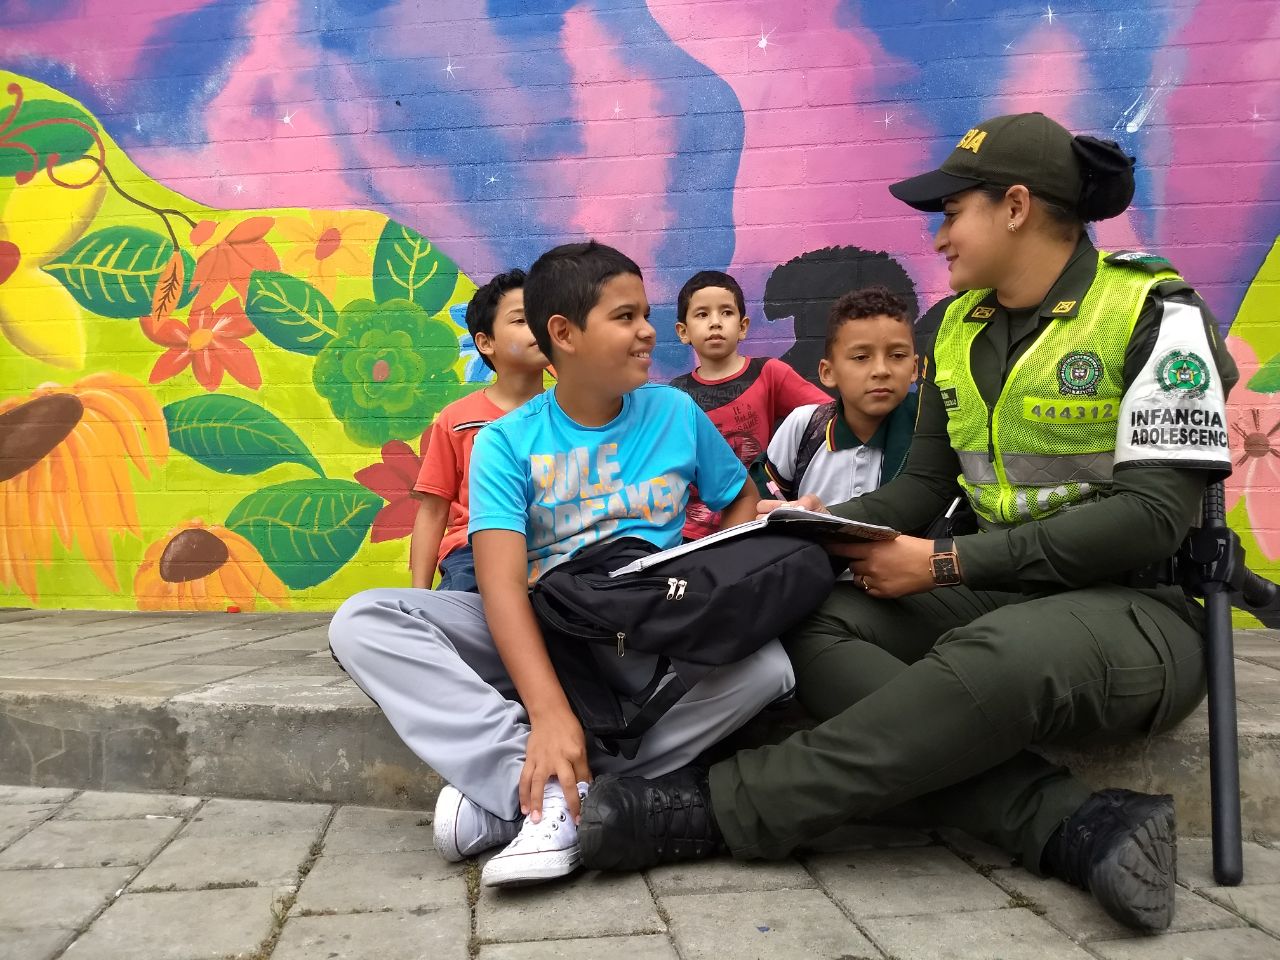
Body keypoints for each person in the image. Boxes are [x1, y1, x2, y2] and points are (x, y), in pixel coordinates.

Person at [577, 113, 1238, 933]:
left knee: (997, 653)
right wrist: (802, 527)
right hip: (1008, 592)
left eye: (952, 213)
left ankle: (722, 808)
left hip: (1139, 610)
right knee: (811, 615)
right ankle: (1067, 824)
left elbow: (1151, 519)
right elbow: (920, 487)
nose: (939, 237)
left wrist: (945, 565)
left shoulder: (1153, 313)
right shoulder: (958, 326)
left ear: (1016, 207)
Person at [328, 241, 793, 889]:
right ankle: (544, 791)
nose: (648, 331)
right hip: (539, 621)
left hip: (641, 625)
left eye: (645, 314)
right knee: (364, 621)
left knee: (769, 670)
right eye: (625, 317)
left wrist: (736, 555)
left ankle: (543, 794)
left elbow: (738, 498)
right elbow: (498, 585)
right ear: (565, 334)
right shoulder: (505, 440)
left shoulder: (673, 412)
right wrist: (547, 716)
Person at [409, 270, 547, 591]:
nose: (539, 327)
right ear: (485, 342)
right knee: (460, 606)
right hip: (473, 550)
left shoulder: (569, 414)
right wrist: (419, 597)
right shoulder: (457, 419)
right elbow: (433, 511)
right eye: (521, 320)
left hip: (552, 545)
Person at [670, 270, 829, 539]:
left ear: (742, 326)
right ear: (683, 332)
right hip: (690, 531)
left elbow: (828, 416)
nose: (715, 323)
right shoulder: (676, 394)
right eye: (702, 314)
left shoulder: (768, 374)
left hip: (755, 521)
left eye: (726, 312)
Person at [752, 286, 918, 505]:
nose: (881, 370)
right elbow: (760, 498)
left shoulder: (927, 432)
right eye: (861, 357)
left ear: (914, 368)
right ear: (828, 373)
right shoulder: (805, 427)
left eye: (897, 355)